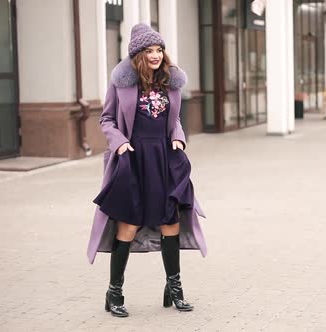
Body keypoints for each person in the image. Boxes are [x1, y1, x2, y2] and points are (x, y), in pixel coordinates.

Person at [86, 23, 207, 318]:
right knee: (128, 224)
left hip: (164, 158)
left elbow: (173, 119)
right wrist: (120, 143)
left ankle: (174, 288)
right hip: (133, 159)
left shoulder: (170, 81)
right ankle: (114, 293)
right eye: (149, 50)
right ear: (138, 54)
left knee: (171, 221)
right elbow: (106, 120)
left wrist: (178, 136)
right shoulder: (122, 83)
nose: (156, 55)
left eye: (159, 49)